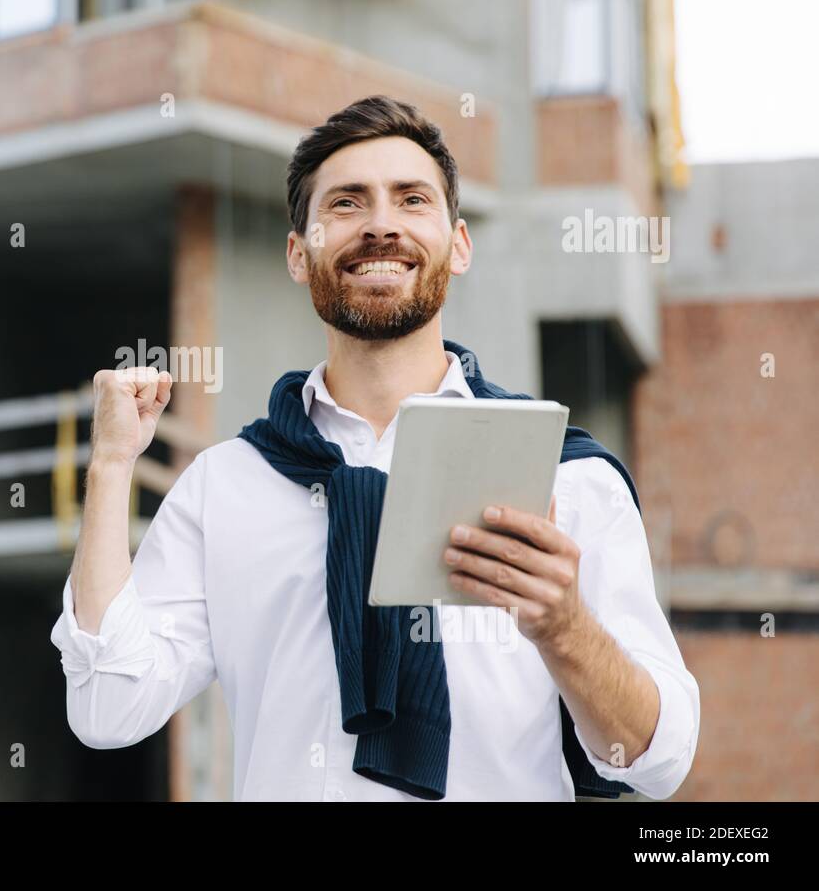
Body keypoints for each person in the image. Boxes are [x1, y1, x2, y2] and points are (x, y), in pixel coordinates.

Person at [49, 94, 699, 801]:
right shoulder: (225, 485)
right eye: (348, 204)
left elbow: (657, 762)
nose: (382, 225)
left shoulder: (566, 477)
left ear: (459, 244)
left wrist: (564, 626)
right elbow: (108, 710)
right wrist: (112, 468)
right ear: (300, 255)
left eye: (412, 200)